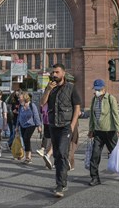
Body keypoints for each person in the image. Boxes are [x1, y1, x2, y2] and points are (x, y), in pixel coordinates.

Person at [40, 63, 81, 198]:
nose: (54, 75)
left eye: (57, 72)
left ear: (63, 73)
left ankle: (60, 185)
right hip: (53, 125)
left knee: (63, 153)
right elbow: (42, 103)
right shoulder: (50, 88)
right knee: (57, 155)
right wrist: (47, 90)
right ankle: (61, 181)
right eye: (53, 72)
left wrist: (72, 125)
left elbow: (77, 108)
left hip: (65, 126)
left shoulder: (71, 88)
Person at [87, 79, 119, 186]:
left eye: (99, 89)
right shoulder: (94, 100)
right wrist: (91, 129)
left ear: (104, 88)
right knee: (95, 155)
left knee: (115, 154)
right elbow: (92, 116)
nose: (97, 91)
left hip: (110, 131)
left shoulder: (110, 98)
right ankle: (95, 177)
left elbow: (115, 115)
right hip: (98, 132)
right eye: (96, 89)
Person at [16, 91, 42, 164]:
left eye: (20, 98)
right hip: (22, 125)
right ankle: (27, 156)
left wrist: (38, 126)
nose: (19, 99)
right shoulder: (20, 106)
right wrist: (17, 126)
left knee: (26, 138)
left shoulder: (32, 105)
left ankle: (28, 157)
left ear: (24, 97)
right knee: (25, 140)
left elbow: (36, 115)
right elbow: (19, 116)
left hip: (31, 124)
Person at [36, 102, 53, 169]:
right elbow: (41, 114)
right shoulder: (44, 104)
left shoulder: (50, 102)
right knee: (50, 142)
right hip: (47, 123)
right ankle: (47, 156)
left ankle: (45, 152)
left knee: (52, 142)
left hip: (50, 123)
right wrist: (39, 125)